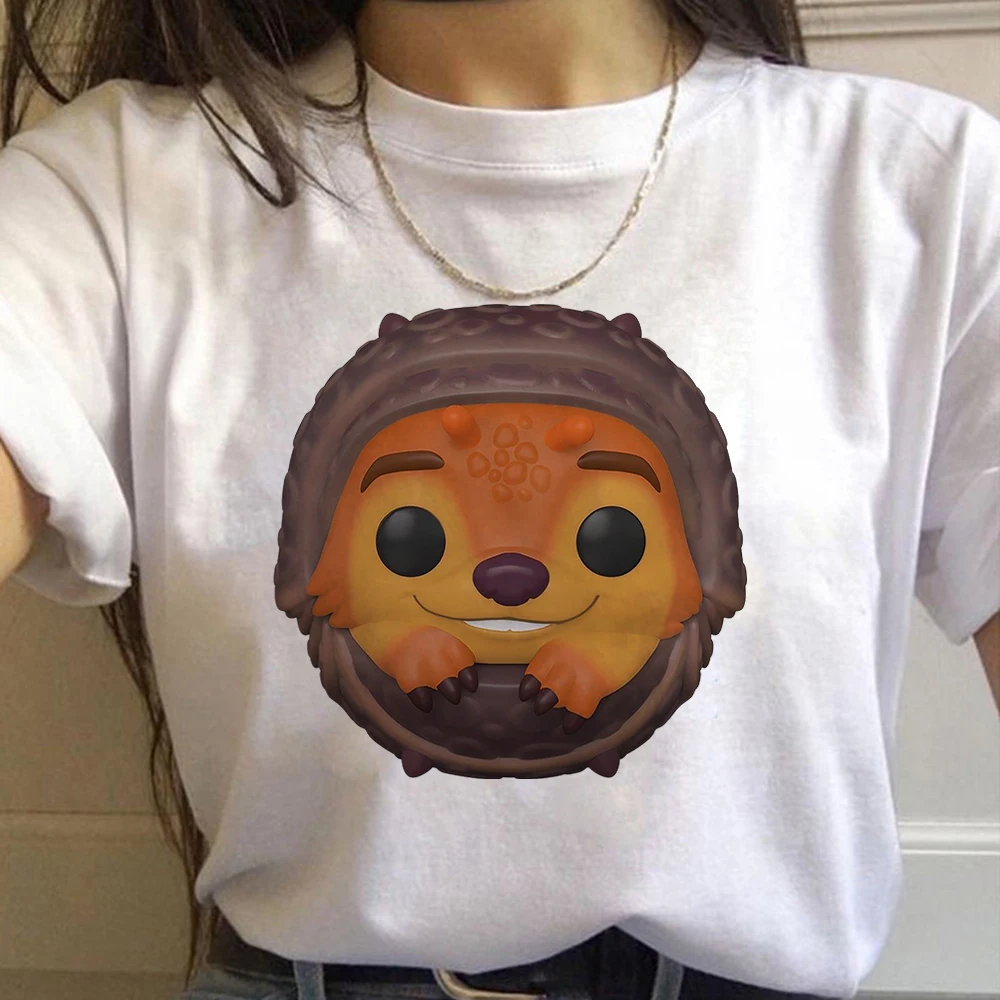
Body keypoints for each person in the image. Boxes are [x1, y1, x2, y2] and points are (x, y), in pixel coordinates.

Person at [0, 0, 997, 997]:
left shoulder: (923, 187)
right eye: (412, 532)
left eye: (606, 535)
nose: (509, 573)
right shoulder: (110, 195)